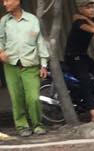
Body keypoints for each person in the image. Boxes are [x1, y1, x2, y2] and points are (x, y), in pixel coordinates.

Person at [0, 0, 48, 136]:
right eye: (3, 1)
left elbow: (40, 42)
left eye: (8, 0)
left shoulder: (32, 20)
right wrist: (1, 52)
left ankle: (37, 124)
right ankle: (22, 127)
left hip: (30, 65)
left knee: (33, 98)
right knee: (17, 98)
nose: (4, 4)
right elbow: (0, 39)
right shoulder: (4, 21)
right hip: (11, 65)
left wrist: (44, 64)